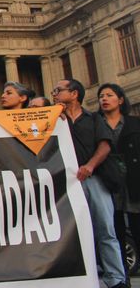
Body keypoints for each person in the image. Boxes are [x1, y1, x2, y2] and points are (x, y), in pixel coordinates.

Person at [53, 78, 126, 288]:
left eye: (59, 90)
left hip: (94, 180)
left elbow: (105, 146)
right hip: (66, 183)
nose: (55, 94)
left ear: (74, 94)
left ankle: (116, 279)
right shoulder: (54, 119)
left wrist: (90, 166)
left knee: (106, 229)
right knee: (72, 233)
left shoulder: (93, 118)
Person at [98, 83, 140, 281]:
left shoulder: (134, 123)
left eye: (109, 95)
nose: (104, 99)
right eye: (101, 96)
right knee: (115, 235)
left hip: (133, 183)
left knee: (138, 230)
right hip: (109, 184)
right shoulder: (96, 123)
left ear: (120, 100)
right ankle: (122, 281)